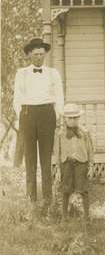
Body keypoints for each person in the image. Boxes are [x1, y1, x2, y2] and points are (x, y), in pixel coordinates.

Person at [13, 37, 64, 212]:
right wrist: (22, 116)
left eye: (42, 54)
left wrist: (56, 116)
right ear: (29, 55)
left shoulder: (53, 73)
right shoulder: (22, 73)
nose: (39, 58)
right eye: (35, 55)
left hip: (47, 114)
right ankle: (31, 198)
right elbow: (17, 98)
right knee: (30, 158)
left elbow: (59, 97)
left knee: (45, 158)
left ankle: (48, 199)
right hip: (27, 113)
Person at [56, 103, 94, 222]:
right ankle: (64, 217)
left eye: (75, 118)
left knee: (84, 190)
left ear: (79, 118)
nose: (72, 120)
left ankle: (87, 217)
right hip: (66, 164)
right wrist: (58, 169)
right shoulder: (60, 134)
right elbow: (58, 152)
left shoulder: (85, 132)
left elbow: (90, 150)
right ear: (65, 119)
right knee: (65, 190)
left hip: (81, 164)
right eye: (70, 118)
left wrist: (91, 166)